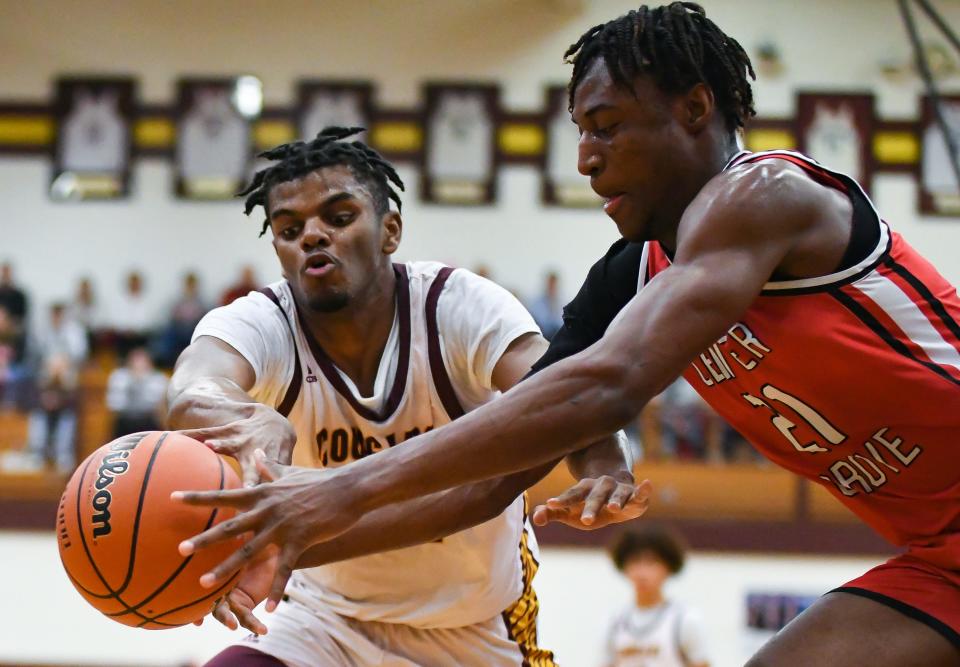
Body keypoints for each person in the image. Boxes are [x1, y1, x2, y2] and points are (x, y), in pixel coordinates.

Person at [178, 5, 960, 664]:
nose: (586, 159)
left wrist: (334, 492)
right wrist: (280, 541)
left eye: (607, 127)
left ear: (695, 108)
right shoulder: (629, 276)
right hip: (940, 559)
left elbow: (603, 388)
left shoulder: (765, 194)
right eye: (580, 132)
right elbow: (489, 485)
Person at [168, 127, 647, 667]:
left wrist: (605, 463)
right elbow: (191, 384)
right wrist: (246, 416)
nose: (313, 236)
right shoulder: (264, 320)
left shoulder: (458, 305)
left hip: (473, 624)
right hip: (324, 620)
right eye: (289, 228)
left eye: (339, 217)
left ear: (390, 230)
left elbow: (561, 394)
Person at [605, 527, 709, 667]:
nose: (642, 573)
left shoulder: (685, 619)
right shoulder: (614, 622)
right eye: (635, 562)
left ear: (668, 567)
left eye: (651, 563)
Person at [106, 346, 167, 438]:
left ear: (149, 363)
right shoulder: (118, 377)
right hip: (124, 422)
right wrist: (133, 382)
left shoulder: (158, 379)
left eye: (142, 361)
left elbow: (156, 405)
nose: (138, 365)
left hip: (148, 422)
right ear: (128, 362)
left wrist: (141, 381)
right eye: (135, 361)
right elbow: (114, 404)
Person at [527, 270, 564, 340]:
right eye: (550, 284)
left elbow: (562, 322)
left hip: (559, 336)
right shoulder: (538, 302)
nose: (552, 287)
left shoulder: (562, 301)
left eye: (554, 284)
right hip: (544, 335)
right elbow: (541, 322)